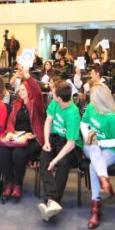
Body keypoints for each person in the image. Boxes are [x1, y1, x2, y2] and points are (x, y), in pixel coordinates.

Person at [82, 84, 115, 229]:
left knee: (93, 165)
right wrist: (87, 136)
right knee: (93, 149)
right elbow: (83, 124)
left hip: (112, 149)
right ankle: (104, 179)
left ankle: (95, 206)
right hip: (93, 146)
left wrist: (100, 142)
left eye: (93, 98)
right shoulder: (91, 107)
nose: (90, 101)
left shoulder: (113, 118)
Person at [38, 80, 83, 221]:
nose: (51, 93)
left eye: (54, 93)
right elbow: (48, 121)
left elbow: (71, 144)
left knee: (63, 162)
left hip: (71, 145)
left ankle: (51, 200)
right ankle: (52, 201)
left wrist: (55, 160)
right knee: (44, 158)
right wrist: (46, 142)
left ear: (59, 97)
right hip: (54, 138)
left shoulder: (73, 114)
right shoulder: (55, 103)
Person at [0, 69, 45, 200]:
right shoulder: (16, 104)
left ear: (29, 91)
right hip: (17, 138)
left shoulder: (36, 104)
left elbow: (37, 91)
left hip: (33, 138)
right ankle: (9, 182)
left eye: (23, 90)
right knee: (3, 150)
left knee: (18, 154)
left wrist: (27, 76)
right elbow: (11, 121)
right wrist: (9, 133)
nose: (20, 92)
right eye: (20, 89)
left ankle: (18, 184)